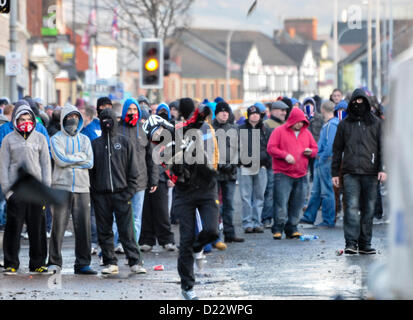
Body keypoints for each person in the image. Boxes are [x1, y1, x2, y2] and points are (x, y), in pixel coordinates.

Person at [167, 98, 220, 300]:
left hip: (206, 187)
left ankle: (199, 245)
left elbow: (214, 152)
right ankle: (187, 287)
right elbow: (166, 156)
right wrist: (175, 168)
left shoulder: (208, 128)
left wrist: (214, 170)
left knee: (212, 231)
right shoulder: (175, 129)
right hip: (184, 190)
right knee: (186, 239)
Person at [89, 108, 146, 274]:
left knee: (127, 230)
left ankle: (135, 261)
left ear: (115, 120)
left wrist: (129, 192)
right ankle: (110, 262)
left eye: (110, 118)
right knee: (104, 231)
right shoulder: (95, 145)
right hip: (101, 195)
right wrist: (95, 194)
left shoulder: (125, 142)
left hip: (122, 194)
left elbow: (134, 171)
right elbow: (91, 173)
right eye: (104, 118)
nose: (107, 122)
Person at [332, 88, 386, 255]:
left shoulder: (376, 124)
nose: (358, 105)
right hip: (350, 173)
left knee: (368, 209)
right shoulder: (344, 125)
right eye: (355, 101)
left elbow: (383, 148)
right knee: (352, 209)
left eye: (362, 101)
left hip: (371, 173)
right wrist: (335, 173)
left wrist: (382, 169)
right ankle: (351, 243)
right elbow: (337, 149)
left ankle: (364, 244)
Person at [0, 100, 52, 275]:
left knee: (37, 228)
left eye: (27, 118)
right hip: (16, 191)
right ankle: (11, 263)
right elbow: (4, 167)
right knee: (13, 228)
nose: (24, 122)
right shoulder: (8, 139)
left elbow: (46, 166)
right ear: (15, 120)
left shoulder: (40, 138)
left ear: (33, 119)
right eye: (21, 119)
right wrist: (8, 192)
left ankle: (37, 262)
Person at [47, 104, 97, 275]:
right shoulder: (55, 139)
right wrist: (79, 158)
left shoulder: (85, 140)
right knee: (58, 226)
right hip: (61, 186)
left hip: (83, 187)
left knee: (83, 226)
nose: (73, 120)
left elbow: (90, 162)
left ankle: (83, 263)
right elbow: (60, 160)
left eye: (76, 117)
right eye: (69, 117)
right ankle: (54, 262)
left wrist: (71, 159)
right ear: (63, 119)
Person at [267, 108, 318, 240]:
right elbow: (271, 148)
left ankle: (292, 228)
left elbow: (315, 149)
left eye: (302, 122)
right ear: (292, 120)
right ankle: (278, 228)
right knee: (281, 203)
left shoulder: (306, 133)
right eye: (298, 122)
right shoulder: (279, 131)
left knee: (298, 203)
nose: (300, 125)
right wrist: (285, 156)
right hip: (283, 173)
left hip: (301, 173)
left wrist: (310, 152)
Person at [139, 103, 176, 252]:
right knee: (145, 211)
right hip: (143, 178)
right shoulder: (139, 136)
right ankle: (147, 240)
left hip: (161, 177)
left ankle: (166, 240)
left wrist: (171, 177)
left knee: (161, 211)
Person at [300, 101, 339, 228]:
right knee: (316, 191)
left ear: (322, 110)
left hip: (325, 160)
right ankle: (309, 217)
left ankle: (328, 220)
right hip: (321, 159)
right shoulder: (330, 124)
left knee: (327, 191)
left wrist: (321, 158)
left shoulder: (331, 125)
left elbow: (330, 146)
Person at [212, 102, 245, 243]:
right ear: (216, 113)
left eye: (226, 111)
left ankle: (229, 234)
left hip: (230, 173)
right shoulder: (210, 129)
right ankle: (214, 236)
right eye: (221, 111)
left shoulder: (235, 129)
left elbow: (240, 150)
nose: (224, 114)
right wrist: (219, 164)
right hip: (214, 173)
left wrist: (232, 164)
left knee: (229, 205)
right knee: (214, 206)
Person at [238, 105, 271, 234]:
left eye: (257, 114)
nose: (254, 116)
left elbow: (270, 146)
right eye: (252, 114)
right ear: (248, 116)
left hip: (261, 167)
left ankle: (257, 222)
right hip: (245, 167)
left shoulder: (265, 129)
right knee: (245, 197)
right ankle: (247, 223)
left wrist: (267, 162)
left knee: (259, 196)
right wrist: (240, 162)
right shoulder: (240, 129)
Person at [262, 101, 289, 228]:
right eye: (281, 110)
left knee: (282, 193)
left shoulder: (286, 124)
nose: (284, 112)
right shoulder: (266, 124)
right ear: (273, 111)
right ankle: (267, 218)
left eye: (285, 110)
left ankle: (281, 218)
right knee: (270, 192)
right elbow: (265, 145)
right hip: (272, 164)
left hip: (285, 165)